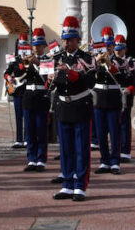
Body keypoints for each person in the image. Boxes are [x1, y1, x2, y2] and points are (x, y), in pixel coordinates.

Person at [51, 16, 95, 202]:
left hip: (79, 105)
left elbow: (91, 81)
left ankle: (80, 186)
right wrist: (50, 79)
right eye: (65, 39)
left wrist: (71, 73)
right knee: (66, 148)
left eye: (70, 39)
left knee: (81, 148)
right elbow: (53, 85)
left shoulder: (87, 58)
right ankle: (67, 184)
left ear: (78, 40)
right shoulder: (56, 58)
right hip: (63, 106)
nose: (67, 42)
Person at [20, 27, 53, 172]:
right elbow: (18, 74)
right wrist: (23, 65)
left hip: (41, 96)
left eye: (39, 46)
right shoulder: (26, 59)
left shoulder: (49, 59)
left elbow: (47, 78)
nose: (36, 48)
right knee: (29, 130)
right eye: (35, 46)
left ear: (44, 46)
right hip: (28, 96)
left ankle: (41, 159)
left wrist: (37, 63)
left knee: (41, 129)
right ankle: (31, 159)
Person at [92, 26, 124, 175]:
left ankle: (115, 161)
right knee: (100, 132)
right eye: (105, 46)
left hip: (113, 99)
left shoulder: (119, 61)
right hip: (99, 99)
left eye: (110, 46)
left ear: (113, 46)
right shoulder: (95, 60)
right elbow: (89, 77)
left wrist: (109, 64)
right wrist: (96, 63)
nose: (108, 49)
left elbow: (122, 77)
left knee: (114, 131)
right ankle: (104, 161)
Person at [112, 35, 135, 162]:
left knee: (124, 125)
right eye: (116, 49)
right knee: (113, 125)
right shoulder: (109, 61)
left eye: (121, 49)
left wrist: (131, 89)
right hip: (112, 95)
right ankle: (114, 151)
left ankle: (125, 152)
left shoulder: (132, 62)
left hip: (127, 95)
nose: (118, 51)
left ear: (125, 49)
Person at [4, 33, 28, 149]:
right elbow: (7, 72)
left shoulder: (31, 58)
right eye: (20, 45)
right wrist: (9, 78)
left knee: (27, 115)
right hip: (18, 91)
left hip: (28, 90)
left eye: (24, 45)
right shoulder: (14, 59)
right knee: (18, 115)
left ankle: (27, 139)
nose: (22, 48)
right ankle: (19, 139)